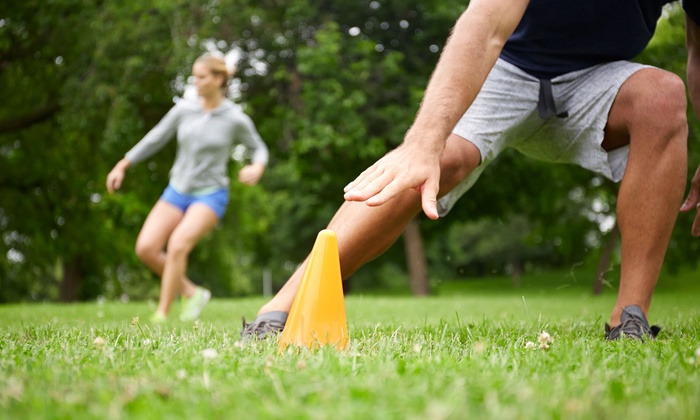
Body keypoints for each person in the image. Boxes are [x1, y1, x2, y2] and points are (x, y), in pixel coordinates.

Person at [241, 0, 700, 341]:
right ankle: (280, 309)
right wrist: (422, 145)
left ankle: (630, 319)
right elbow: (484, 28)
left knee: (662, 95)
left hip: (599, 79)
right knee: (439, 161)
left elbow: (697, 50)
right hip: (504, 68)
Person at [107, 53, 269, 323]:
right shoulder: (184, 109)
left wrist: (257, 166)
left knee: (178, 245)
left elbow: (259, 148)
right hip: (177, 190)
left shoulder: (234, 118)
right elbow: (155, 137)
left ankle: (162, 312)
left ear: (218, 80)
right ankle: (192, 292)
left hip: (210, 194)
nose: (196, 82)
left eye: (202, 77)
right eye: (194, 76)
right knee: (146, 248)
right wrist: (123, 164)